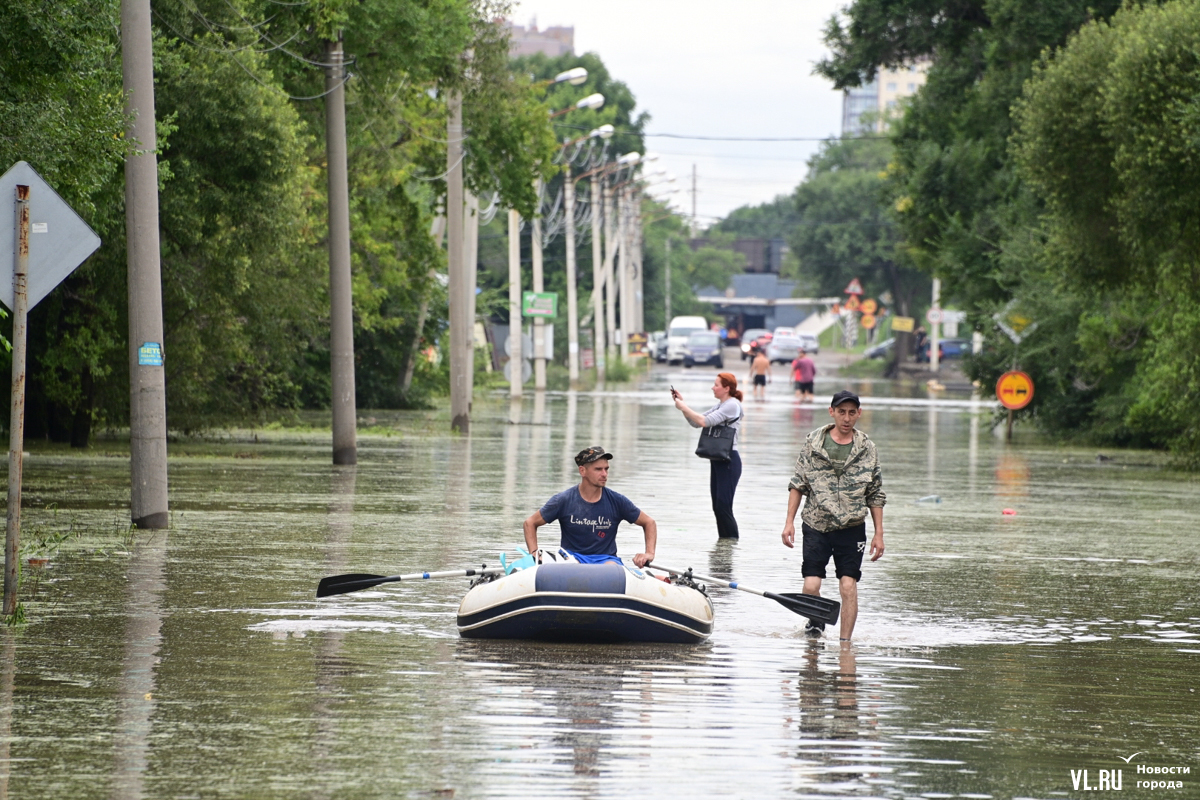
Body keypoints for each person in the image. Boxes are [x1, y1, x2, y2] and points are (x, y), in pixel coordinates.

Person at [780, 390, 885, 642]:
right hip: (816, 524)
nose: (846, 418)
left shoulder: (867, 449)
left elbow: (875, 493)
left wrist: (879, 534)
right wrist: (789, 522)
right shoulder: (814, 443)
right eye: (841, 412)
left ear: (858, 413)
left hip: (852, 526)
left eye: (851, 413)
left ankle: (845, 645)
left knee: (848, 586)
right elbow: (797, 483)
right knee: (811, 586)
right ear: (832, 412)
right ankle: (816, 624)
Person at [523, 446, 656, 567]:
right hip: (572, 560)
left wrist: (649, 553)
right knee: (572, 567)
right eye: (598, 469)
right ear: (582, 471)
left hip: (606, 560)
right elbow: (530, 523)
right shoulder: (563, 500)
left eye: (606, 469)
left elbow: (649, 522)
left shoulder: (617, 501)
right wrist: (534, 554)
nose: (604, 474)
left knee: (611, 569)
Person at [672, 373, 744, 539]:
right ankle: (723, 549)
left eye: (716, 384)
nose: (713, 387)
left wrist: (683, 407)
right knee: (717, 507)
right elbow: (696, 422)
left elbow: (705, 422)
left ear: (727, 388)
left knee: (724, 506)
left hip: (729, 460)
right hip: (718, 460)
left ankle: (732, 545)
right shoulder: (721, 405)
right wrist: (683, 405)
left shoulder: (732, 405)